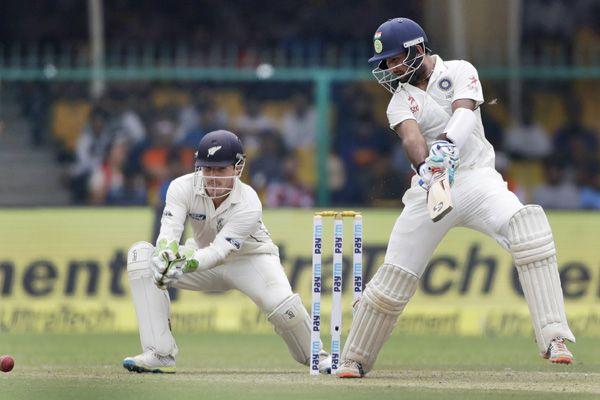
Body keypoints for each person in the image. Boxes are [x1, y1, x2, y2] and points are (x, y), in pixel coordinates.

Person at [337, 18, 576, 378]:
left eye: (393, 59)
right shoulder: (400, 101)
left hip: (478, 179)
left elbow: (465, 110)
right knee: (395, 276)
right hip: (432, 186)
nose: (388, 69)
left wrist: (447, 147)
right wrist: (426, 167)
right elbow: (411, 138)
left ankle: (554, 337)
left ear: (417, 50)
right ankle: (355, 357)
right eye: (384, 63)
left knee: (529, 226)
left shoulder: (460, 70)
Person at [123, 130, 331, 374]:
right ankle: (159, 353)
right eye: (207, 169)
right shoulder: (181, 187)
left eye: (220, 170)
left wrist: (186, 264)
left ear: (237, 167)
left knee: (285, 308)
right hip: (203, 259)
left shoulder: (249, 201)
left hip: (251, 260)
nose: (212, 177)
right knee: (142, 257)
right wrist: (166, 257)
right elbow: (169, 232)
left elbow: (221, 251)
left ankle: (318, 357)